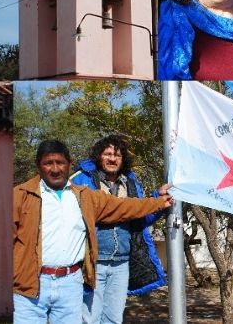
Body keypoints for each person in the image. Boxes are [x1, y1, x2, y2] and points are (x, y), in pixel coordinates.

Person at [12, 140, 173, 324]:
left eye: (60, 163)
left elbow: (124, 207)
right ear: (38, 166)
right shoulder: (20, 196)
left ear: (69, 164)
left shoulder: (84, 196)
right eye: (48, 163)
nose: (55, 169)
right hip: (32, 283)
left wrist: (158, 201)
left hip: (71, 283)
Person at [70, 135, 169, 324]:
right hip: (93, 262)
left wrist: (158, 200)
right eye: (107, 154)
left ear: (123, 159)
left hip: (121, 263)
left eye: (117, 155)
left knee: (114, 319)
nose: (112, 159)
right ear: (99, 156)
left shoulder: (131, 183)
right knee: (89, 319)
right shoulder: (82, 179)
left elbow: (140, 218)